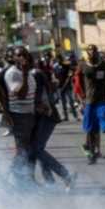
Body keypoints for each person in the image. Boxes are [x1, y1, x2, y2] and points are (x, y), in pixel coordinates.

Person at [30, 60, 73, 188]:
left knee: (37, 149)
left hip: (47, 118)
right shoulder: (36, 81)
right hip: (43, 117)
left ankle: (65, 175)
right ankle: (50, 180)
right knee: (38, 149)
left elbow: (44, 107)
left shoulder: (37, 81)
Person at [4, 47, 39, 185]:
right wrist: (24, 74)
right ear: (13, 58)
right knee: (22, 150)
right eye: (18, 55)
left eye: (24, 55)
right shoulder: (13, 73)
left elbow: (31, 93)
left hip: (29, 114)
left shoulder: (27, 72)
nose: (22, 58)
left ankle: (26, 179)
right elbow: (21, 94)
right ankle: (13, 179)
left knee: (28, 149)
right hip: (19, 115)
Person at [78, 45, 105, 164]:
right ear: (87, 52)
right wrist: (81, 97)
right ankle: (91, 153)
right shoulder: (83, 65)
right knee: (90, 129)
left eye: (94, 50)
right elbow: (77, 82)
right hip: (89, 101)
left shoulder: (103, 64)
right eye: (90, 50)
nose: (92, 52)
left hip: (103, 99)